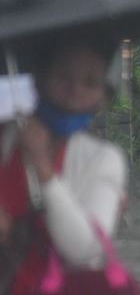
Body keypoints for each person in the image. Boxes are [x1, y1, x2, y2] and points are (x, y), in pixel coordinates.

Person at [0, 29, 128, 294]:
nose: (75, 91)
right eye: (63, 77)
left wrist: (44, 170)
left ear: (103, 97)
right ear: (40, 80)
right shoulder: (8, 140)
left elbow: (84, 251)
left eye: (90, 82)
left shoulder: (102, 158)